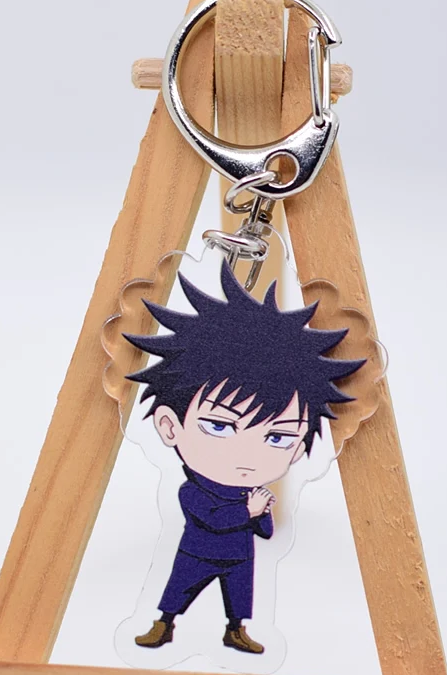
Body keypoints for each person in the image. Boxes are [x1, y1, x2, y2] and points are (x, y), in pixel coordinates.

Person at [124, 261, 364, 654]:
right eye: (219, 426)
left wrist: (262, 511)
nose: (248, 456)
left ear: (299, 445)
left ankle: (236, 631)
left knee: (240, 598)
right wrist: (250, 509)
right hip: (197, 554)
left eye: (278, 436)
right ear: (170, 426)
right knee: (177, 590)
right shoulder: (192, 490)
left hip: (239, 556)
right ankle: (163, 625)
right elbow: (213, 518)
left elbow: (265, 533)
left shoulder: (250, 492)